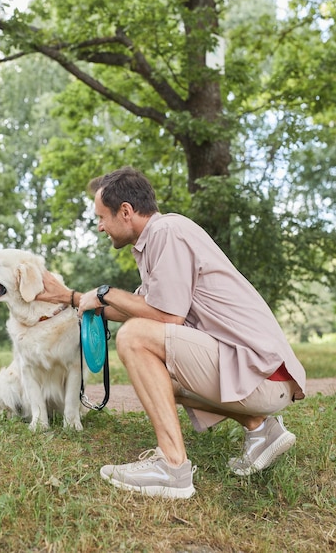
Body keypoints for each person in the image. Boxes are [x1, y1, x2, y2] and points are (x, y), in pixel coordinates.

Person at [36, 166, 306, 499]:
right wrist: (71, 297)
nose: (99, 225)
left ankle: (173, 468)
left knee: (135, 338)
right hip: (259, 376)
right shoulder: (158, 240)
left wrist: (104, 291)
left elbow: (165, 318)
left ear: (126, 211)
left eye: (102, 216)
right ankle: (260, 429)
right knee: (164, 381)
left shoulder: (168, 232)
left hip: (263, 377)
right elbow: (139, 306)